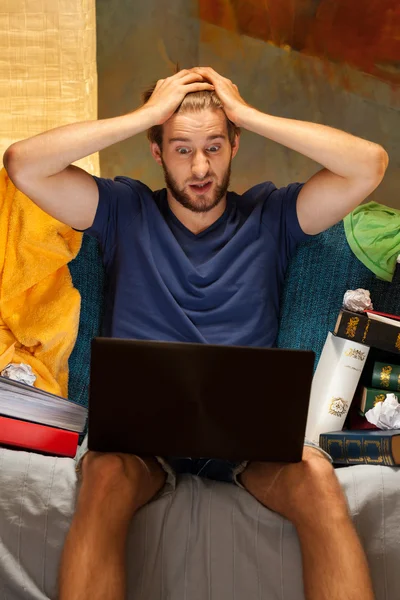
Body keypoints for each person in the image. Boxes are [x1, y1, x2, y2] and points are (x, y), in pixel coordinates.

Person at [4, 67, 386, 600]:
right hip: (139, 444)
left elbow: (369, 164)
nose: (201, 167)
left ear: (234, 145)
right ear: (157, 152)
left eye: (214, 146)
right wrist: (144, 117)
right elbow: (23, 164)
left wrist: (246, 113)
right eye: (182, 149)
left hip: (250, 447)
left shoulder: (273, 216)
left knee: (317, 479)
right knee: (105, 477)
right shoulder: (122, 210)